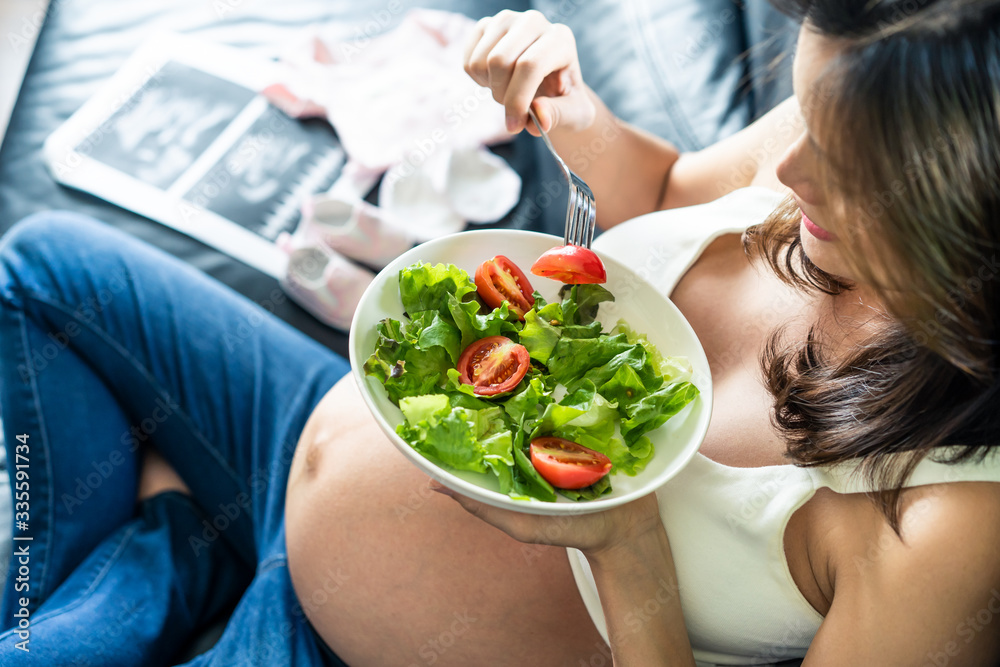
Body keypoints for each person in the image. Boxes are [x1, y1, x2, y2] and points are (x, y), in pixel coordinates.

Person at [3, 1, 1000, 665]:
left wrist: (627, 553)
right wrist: (573, 113)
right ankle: (175, 556)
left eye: (853, 173)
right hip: (309, 427)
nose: (790, 177)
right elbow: (659, 189)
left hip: (339, 640)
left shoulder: (952, 524)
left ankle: (160, 564)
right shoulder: (859, 110)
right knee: (38, 265)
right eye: (807, 121)